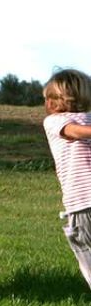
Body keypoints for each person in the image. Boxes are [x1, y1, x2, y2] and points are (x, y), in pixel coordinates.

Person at [42, 68, 91, 289]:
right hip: (82, 203)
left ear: (55, 100)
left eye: (47, 98)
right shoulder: (53, 122)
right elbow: (74, 132)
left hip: (83, 205)